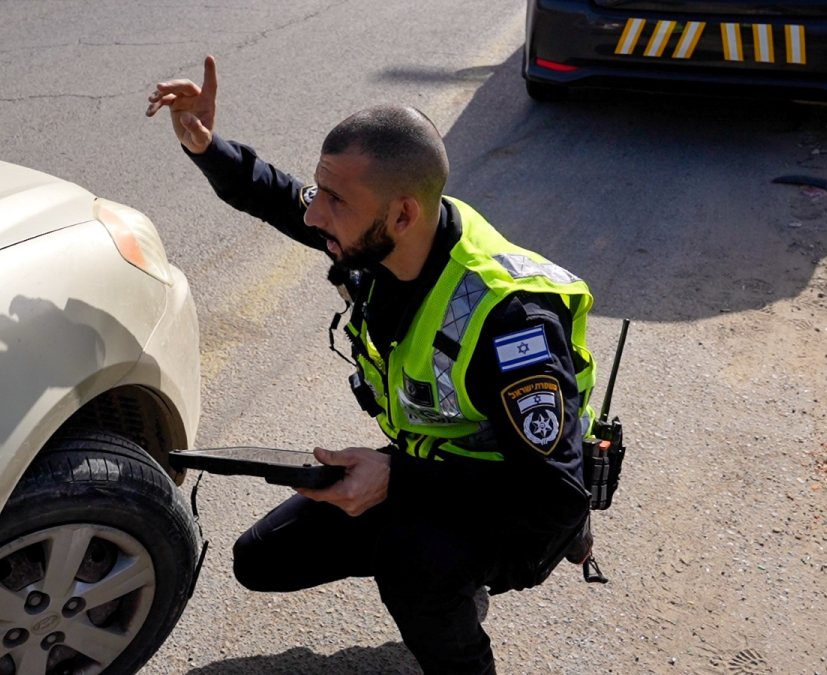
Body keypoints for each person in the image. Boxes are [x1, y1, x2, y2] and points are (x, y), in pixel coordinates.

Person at [147, 55, 596, 675]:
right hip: (428, 469)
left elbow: (555, 493)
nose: (313, 215)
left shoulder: (511, 323)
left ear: (403, 214)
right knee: (261, 560)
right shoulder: (381, 232)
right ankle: (439, 562)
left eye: (334, 200)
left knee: (415, 569)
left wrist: (396, 482)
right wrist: (205, 144)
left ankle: (458, 604)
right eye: (321, 191)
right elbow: (280, 197)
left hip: (517, 505)